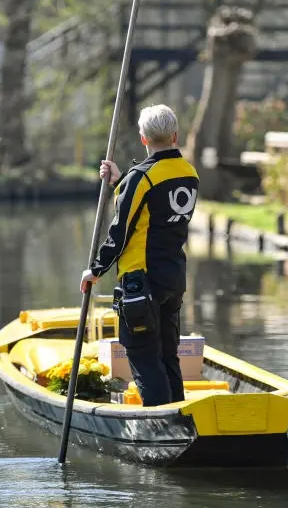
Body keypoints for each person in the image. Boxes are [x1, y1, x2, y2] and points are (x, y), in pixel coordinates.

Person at [79, 104, 200, 407]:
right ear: (175, 135)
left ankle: (159, 421)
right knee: (167, 354)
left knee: (144, 355)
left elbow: (120, 232)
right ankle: (179, 415)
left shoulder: (141, 178)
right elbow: (154, 213)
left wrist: (95, 269)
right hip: (173, 278)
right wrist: (122, 182)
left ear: (143, 139)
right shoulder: (188, 173)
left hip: (141, 282)